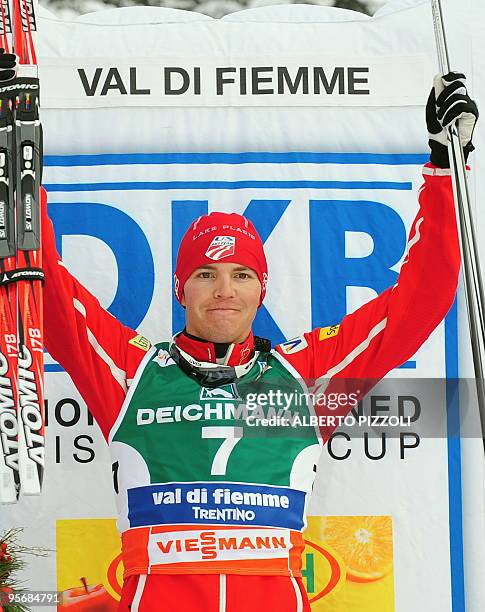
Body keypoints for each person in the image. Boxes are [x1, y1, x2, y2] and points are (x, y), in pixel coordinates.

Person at [38, 71, 477, 611]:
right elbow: (46, 288)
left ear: (261, 289)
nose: (224, 291)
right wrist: (18, 162)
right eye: (205, 274)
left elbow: (420, 299)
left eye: (241, 275)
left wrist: (443, 166)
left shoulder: (307, 375)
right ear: (180, 288)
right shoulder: (131, 372)